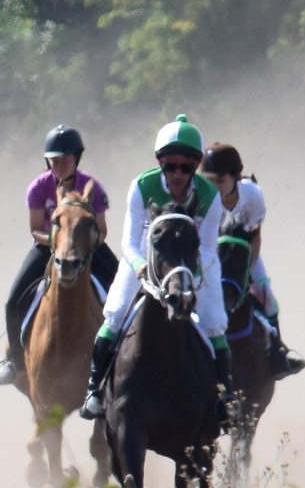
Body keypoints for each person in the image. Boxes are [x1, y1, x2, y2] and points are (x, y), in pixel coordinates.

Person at [80, 113, 230, 421]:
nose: (177, 173)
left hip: (193, 257)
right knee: (117, 309)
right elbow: (129, 243)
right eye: (170, 165)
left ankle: (226, 397)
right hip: (148, 252)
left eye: (186, 166)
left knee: (215, 319)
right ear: (158, 161)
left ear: (197, 163)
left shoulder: (210, 196)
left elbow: (209, 248)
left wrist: (189, 277)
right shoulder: (141, 186)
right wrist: (140, 268)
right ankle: (94, 390)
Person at [0, 124, 122, 387]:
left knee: (128, 294)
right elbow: (35, 229)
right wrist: (60, 244)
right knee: (12, 301)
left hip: (88, 247)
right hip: (48, 247)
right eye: (54, 160)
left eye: (64, 159)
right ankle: (15, 361)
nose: (59, 165)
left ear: (77, 158)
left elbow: (102, 231)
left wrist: (80, 245)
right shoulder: (38, 187)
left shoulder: (92, 186)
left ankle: (125, 357)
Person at [201, 141, 305, 378]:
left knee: (265, 294)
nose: (214, 187)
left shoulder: (252, 196)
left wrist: (246, 269)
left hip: (243, 252)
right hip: (209, 253)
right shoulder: (199, 197)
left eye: (220, 181)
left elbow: (255, 236)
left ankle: (278, 352)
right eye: (209, 181)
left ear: (236, 177)